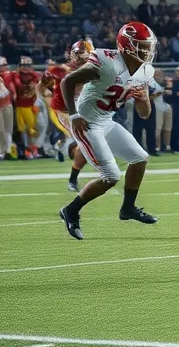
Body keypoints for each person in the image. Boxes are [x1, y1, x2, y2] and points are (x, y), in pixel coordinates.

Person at [57, 23, 159, 240]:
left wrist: (144, 99)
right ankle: (71, 211)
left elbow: (145, 114)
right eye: (141, 46)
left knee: (140, 158)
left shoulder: (145, 71)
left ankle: (128, 208)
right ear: (126, 46)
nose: (147, 51)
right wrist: (73, 115)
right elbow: (67, 81)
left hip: (106, 120)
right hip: (86, 123)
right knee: (111, 176)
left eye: (148, 46)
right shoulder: (107, 62)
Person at [42, 40, 94, 186]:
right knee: (76, 137)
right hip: (61, 110)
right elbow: (41, 85)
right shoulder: (60, 70)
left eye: (85, 56)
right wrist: (42, 98)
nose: (83, 59)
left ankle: (59, 147)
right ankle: (74, 167)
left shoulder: (91, 69)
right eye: (80, 56)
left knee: (79, 136)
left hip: (76, 108)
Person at [12, 56, 41, 159]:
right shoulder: (15, 75)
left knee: (32, 129)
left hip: (30, 106)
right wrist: (30, 84)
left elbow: (38, 78)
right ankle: (25, 150)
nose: (26, 67)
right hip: (19, 106)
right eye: (23, 65)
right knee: (21, 130)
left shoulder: (34, 75)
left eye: (28, 65)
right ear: (19, 66)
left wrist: (35, 81)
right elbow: (18, 84)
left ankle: (33, 149)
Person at [0, 57, 13, 159]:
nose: (3, 67)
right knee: (1, 130)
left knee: (8, 129)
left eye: (4, 65)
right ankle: (1, 151)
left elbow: (6, 92)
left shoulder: (10, 75)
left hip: (7, 103)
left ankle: (8, 151)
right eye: (1, 66)